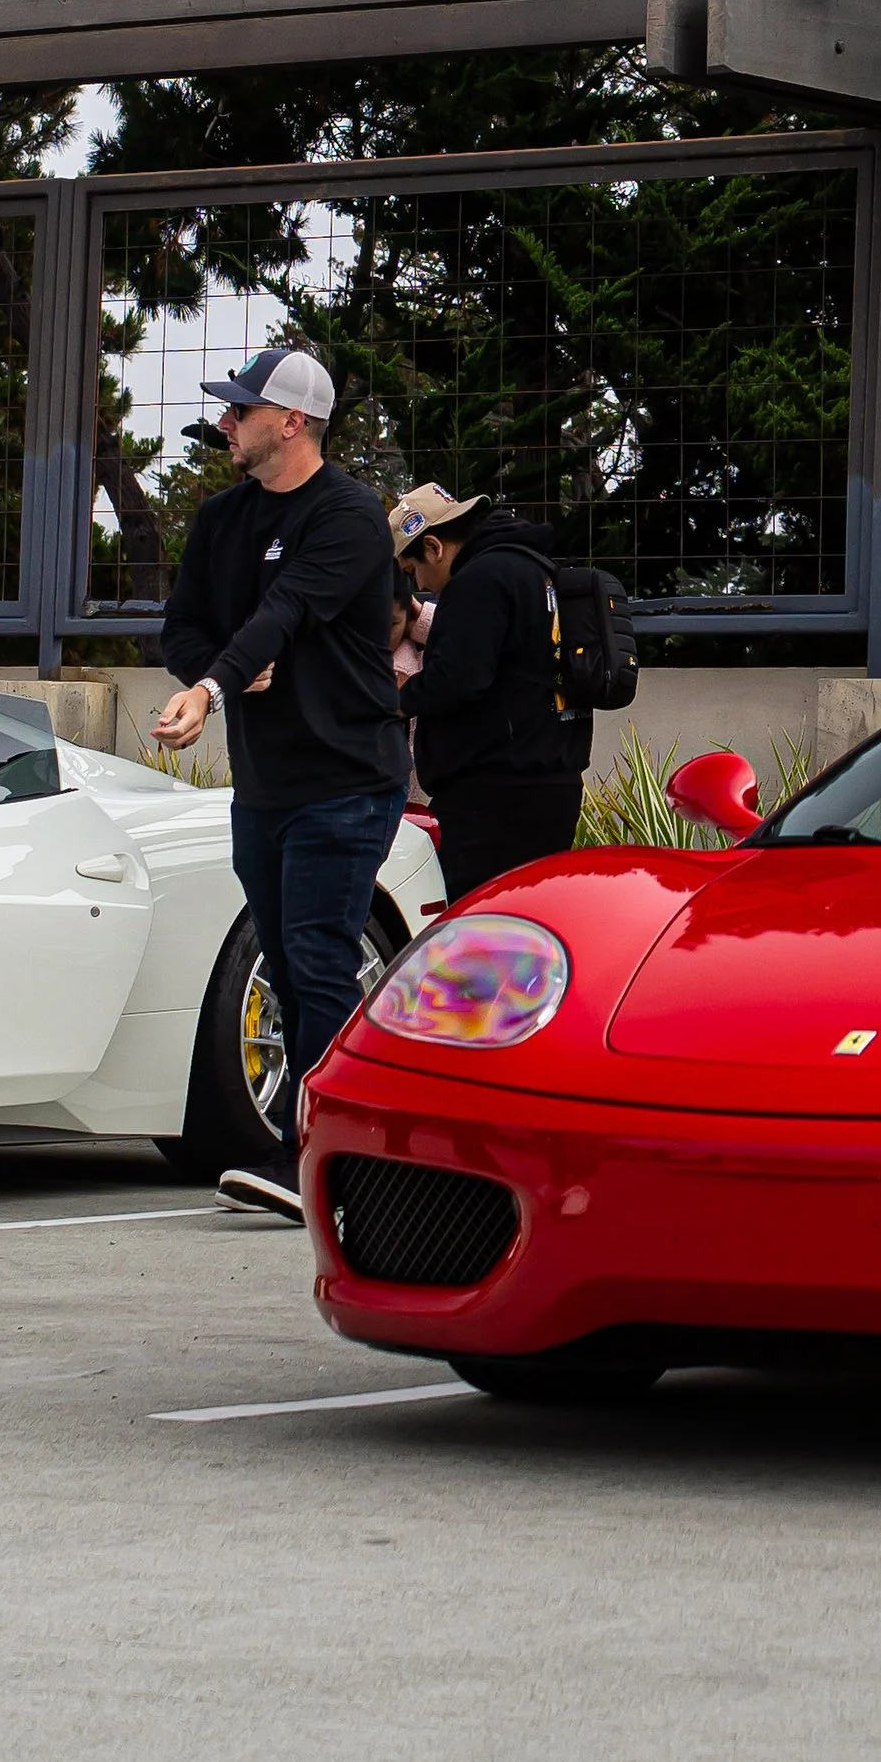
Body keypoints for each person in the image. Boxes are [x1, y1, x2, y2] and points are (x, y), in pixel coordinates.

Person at [152, 347, 410, 1223]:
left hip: (348, 779)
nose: (225, 421)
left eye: (241, 410)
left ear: (292, 421)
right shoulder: (223, 518)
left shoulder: (347, 517)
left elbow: (286, 611)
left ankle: (321, 1159)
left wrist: (218, 683)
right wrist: (211, 670)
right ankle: (345, 1144)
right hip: (265, 786)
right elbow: (182, 624)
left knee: (318, 954)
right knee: (290, 967)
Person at [387, 484, 592, 897]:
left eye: (413, 573)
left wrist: (402, 696)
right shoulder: (534, 569)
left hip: (492, 800)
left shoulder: (477, 581)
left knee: (475, 925)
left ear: (433, 547)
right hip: (551, 781)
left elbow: (460, 676)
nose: (422, 587)